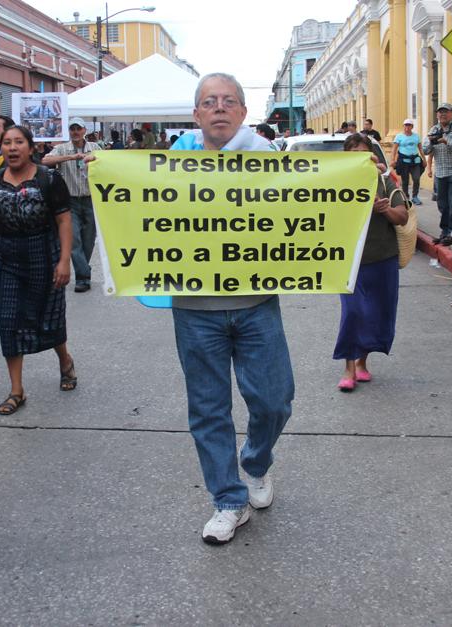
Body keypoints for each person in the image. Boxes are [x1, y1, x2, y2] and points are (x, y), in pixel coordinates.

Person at [163, 73, 294, 544]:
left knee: (275, 399)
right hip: (195, 307)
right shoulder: (170, 160)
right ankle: (228, 499)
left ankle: (255, 463)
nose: (219, 108)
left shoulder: (268, 158)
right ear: (196, 114)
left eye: (229, 101)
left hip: (256, 303)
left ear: (242, 112)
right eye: (209, 102)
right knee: (209, 408)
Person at [0, 125, 74, 415]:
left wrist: (64, 261)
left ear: (31, 147)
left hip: (43, 255)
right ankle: (16, 390)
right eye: (6, 142)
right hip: (6, 258)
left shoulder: (49, 179)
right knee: (8, 322)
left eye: (18, 142)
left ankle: (65, 362)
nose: (12, 147)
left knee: (49, 317)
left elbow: (63, 221)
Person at [334, 134, 407, 391]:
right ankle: (348, 367)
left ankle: (362, 362)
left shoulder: (385, 181)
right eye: (352, 153)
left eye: (363, 153)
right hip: (349, 262)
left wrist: (384, 209)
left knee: (376, 314)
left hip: (382, 258)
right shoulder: (336, 183)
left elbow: (402, 217)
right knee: (352, 313)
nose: (358, 158)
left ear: (372, 156)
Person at [43, 117, 99, 292]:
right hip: (70, 201)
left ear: (84, 131)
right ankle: (83, 277)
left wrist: (94, 160)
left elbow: (108, 163)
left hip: (90, 200)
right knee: (74, 240)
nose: (75, 132)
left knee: (89, 240)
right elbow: (44, 161)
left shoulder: (95, 148)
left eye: (78, 128)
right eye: (72, 128)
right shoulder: (61, 148)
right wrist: (69, 157)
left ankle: (84, 269)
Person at [422, 103, 452, 246]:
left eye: (446, 112)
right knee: (442, 204)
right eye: (440, 112)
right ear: (437, 115)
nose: (442, 114)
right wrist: (431, 142)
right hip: (440, 172)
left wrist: (445, 140)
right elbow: (425, 150)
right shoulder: (434, 129)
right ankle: (445, 232)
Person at [392, 118, 424, 205]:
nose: (407, 127)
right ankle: (406, 196)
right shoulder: (399, 136)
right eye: (406, 125)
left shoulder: (416, 136)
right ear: (403, 126)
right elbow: (394, 149)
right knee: (405, 180)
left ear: (412, 126)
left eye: (409, 125)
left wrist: (424, 160)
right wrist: (393, 160)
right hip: (404, 161)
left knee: (416, 178)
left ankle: (415, 196)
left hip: (415, 161)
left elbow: (420, 148)